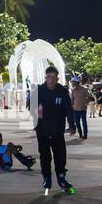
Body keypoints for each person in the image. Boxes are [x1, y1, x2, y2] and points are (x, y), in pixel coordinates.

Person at [32, 65, 74, 195]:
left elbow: (68, 109)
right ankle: (47, 177)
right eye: (48, 77)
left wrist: (72, 125)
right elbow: (31, 107)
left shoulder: (62, 91)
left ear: (57, 78)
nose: (50, 79)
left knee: (60, 155)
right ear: (46, 77)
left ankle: (61, 177)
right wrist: (36, 113)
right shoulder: (38, 91)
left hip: (57, 131)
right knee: (45, 156)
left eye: (53, 77)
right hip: (43, 131)